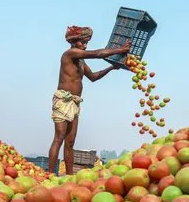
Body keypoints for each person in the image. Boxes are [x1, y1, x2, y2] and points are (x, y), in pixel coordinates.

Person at [48, 25, 131, 175]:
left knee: (70, 142)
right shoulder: (70, 54)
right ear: (74, 42)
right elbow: (98, 54)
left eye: (86, 43)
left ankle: (69, 175)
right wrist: (120, 50)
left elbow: (93, 77)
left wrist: (111, 68)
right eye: (82, 42)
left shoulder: (80, 62)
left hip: (75, 102)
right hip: (63, 100)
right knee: (59, 137)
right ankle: (49, 173)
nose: (85, 45)